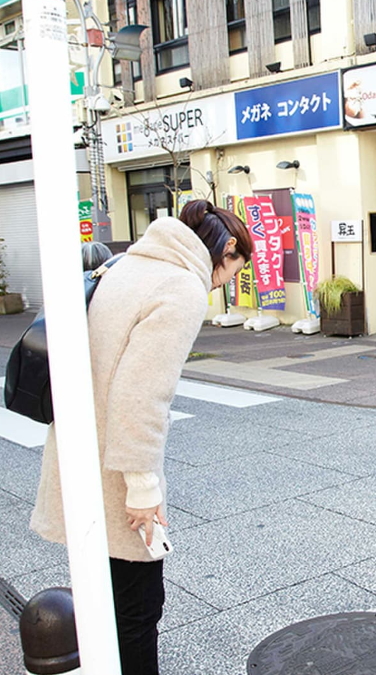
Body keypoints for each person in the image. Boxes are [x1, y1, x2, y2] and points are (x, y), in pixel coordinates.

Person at [31, 200, 252, 675]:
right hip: (115, 470)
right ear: (227, 248)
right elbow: (142, 395)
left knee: (101, 603)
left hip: (79, 450)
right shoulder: (180, 287)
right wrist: (143, 488)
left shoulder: (127, 264)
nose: (226, 282)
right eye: (233, 270)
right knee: (137, 609)